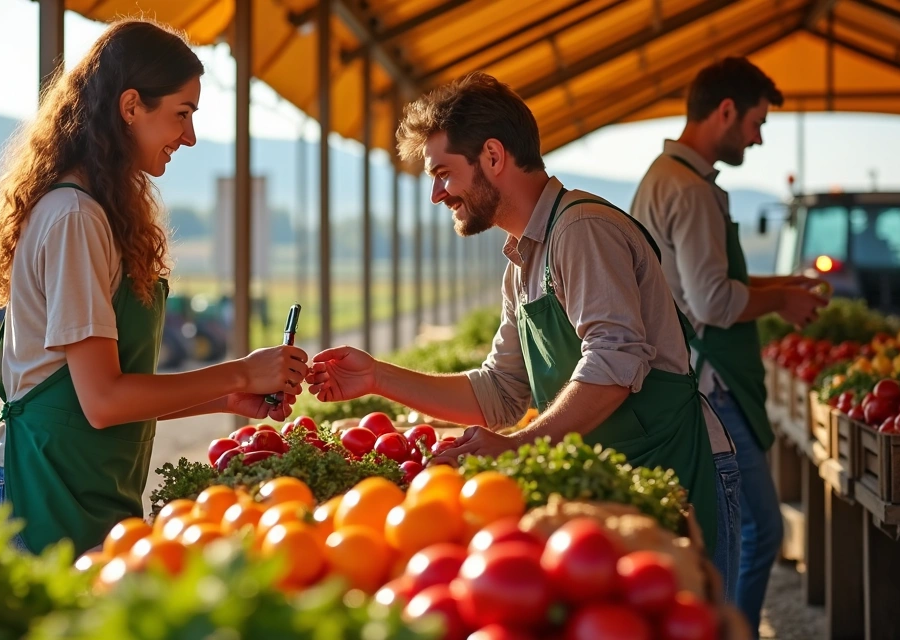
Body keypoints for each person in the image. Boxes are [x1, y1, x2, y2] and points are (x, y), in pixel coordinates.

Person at [305, 71, 731, 557]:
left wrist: (522, 444)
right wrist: (377, 377)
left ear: (493, 155)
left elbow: (614, 362)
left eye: (443, 173)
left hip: (677, 480)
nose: (437, 195)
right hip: (623, 486)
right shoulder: (525, 261)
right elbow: (500, 393)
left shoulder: (581, 229)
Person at [0, 20, 307, 556]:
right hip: (38, 498)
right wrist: (242, 369)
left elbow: (110, 393)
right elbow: (103, 401)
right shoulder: (74, 218)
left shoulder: (99, 211)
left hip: (84, 491)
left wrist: (228, 397)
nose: (189, 137)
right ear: (131, 106)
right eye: (182, 114)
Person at [630, 57, 828, 635]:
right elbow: (714, 303)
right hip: (708, 379)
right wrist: (783, 303)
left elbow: (699, 285)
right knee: (760, 527)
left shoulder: (664, 175)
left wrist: (778, 285)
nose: (758, 138)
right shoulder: (690, 192)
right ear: (725, 112)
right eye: (755, 123)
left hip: (687, 377)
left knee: (726, 524)